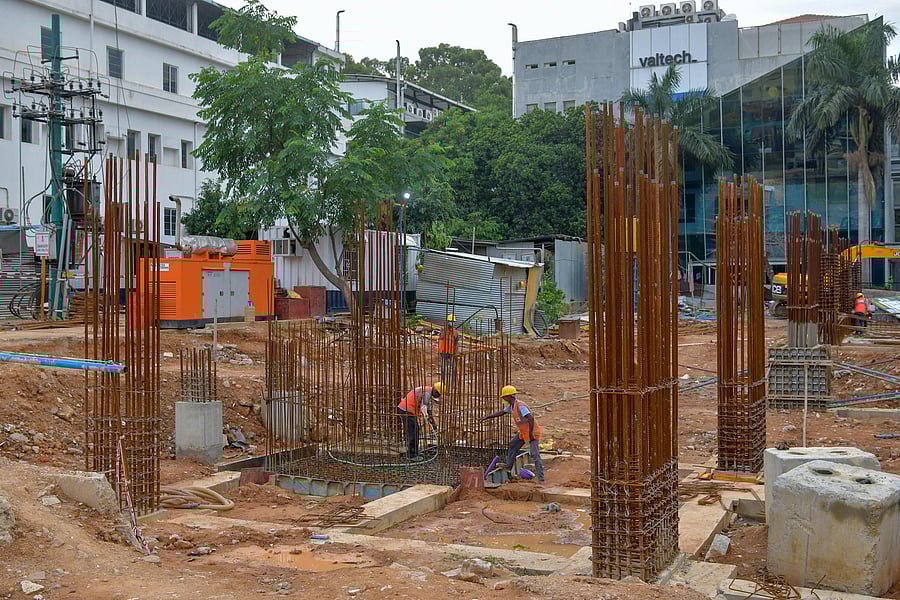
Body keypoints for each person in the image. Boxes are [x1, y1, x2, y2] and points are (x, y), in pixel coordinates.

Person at [482, 385, 545, 483]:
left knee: (535, 454)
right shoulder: (511, 406)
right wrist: (487, 417)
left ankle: (541, 478)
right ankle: (508, 466)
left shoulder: (520, 405)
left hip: (532, 432)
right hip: (524, 433)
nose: (503, 399)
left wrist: (531, 434)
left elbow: (530, 418)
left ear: (509, 396)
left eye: (504, 397)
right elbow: (501, 412)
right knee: (512, 444)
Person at [397, 382, 442, 460]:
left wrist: (433, 423)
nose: (438, 396)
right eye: (438, 395)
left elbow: (428, 410)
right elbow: (426, 408)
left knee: (415, 430)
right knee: (412, 432)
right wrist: (432, 422)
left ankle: (414, 451)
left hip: (408, 410)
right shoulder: (427, 393)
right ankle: (412, 455)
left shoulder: (427, 391)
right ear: (436, 392)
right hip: (406, 410)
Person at [438, 315, 458, 385]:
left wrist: (456, 353)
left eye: (453, 322)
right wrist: (447, 330)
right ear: (448, 322)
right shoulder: (443, 330)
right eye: (451, 321)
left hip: (451, 352)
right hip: (443, 352)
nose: (452, 323)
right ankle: (443, 383)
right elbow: (441, 337)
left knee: (454, 368)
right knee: (443, 369)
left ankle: (453, 383)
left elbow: (456, 343)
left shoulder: (455, 332)